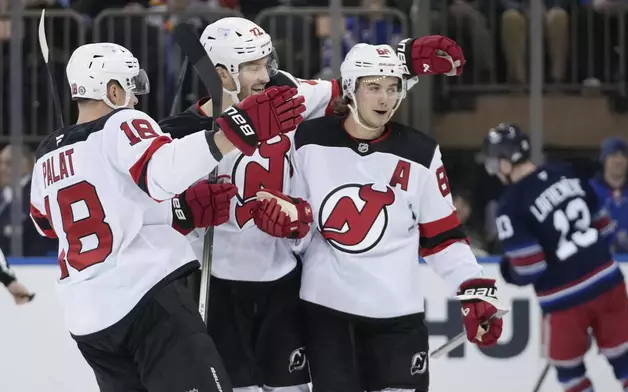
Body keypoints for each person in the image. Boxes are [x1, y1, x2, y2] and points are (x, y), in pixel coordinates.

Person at [158, 16, 468, 392]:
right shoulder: (180, 134)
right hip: (218, 285)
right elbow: (150, 212)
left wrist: (404, 60)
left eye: (266, 62)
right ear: (222, 74)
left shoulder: (285, 94)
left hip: (284, 282)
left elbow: (349, 87)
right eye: (253, 66)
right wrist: (183, 211)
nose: (265, 73)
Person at [28, 42, 304, 392]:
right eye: (130, 88)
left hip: (90, 322)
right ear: (113, 90)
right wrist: (237, 131)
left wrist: (181, 211)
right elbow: (165, 172)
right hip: (148, 302)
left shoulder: (46, 154)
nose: (136, 100)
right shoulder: (121, 122)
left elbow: (47, 224)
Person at [251, 43, 504, 392]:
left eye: (392, 88)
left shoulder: (421, 152)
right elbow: (300, 229)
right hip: (328, 315)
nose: (384, 99)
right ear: (351, 89)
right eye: (373, 87)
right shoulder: (308, 141)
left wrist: (473, 290)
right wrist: (291, 224)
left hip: (398, 318)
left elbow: (443, 236)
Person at [481, 124, 628, 392]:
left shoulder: (511, 205)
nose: (494, 171)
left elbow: (529, 268)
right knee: (627, 363)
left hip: (564, 299)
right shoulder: (563, 173)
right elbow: (605, 228)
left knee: (570, 373)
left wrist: (506, 269)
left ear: (505, 161)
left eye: (494, 163)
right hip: (608, 281)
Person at [589, 136, 628, 253]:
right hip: (601, 260)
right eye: (613, 155)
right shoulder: (589, 190)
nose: (619, 160)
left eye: (623, 156)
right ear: (604, 160)